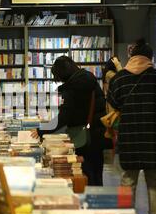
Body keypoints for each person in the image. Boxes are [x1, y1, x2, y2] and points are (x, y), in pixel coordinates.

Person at [107, 39, 156, 214]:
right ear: (150, 58)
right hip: (154, 136)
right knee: (154, 179)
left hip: (130, 135)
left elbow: (113, 101)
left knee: (128, 178)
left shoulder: (119, 79)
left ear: (132, 57)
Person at [37, 55, 107, 186]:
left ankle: (89, 201)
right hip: (97, 133)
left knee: (85, 172)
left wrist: (41, 130)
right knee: (96, 171)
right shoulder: (88, 78)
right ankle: (97, 199)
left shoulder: (73, 87)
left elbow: (65, 116)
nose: (60, 81)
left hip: (84, 137)